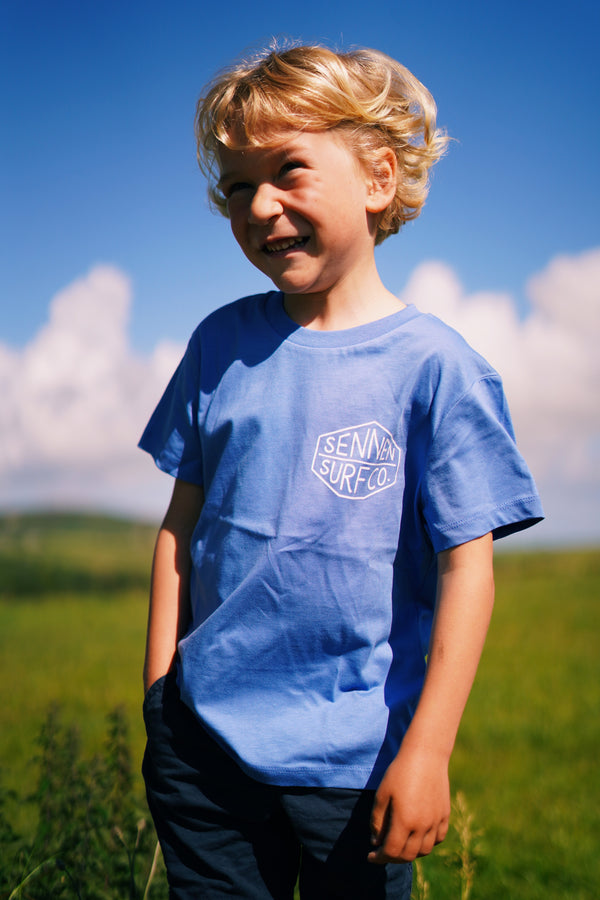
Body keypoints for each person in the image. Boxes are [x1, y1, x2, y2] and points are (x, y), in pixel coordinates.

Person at [138, 43, 543, 899]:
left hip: (353, 765)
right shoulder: (220, 344)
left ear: (378, 178)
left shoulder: (437, 366)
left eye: (288, 170)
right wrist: (160, 697)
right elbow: (180, 528)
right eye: (240, 187)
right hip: (203, 750)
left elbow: (469, 567)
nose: (261, 206)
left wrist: (428, 750)